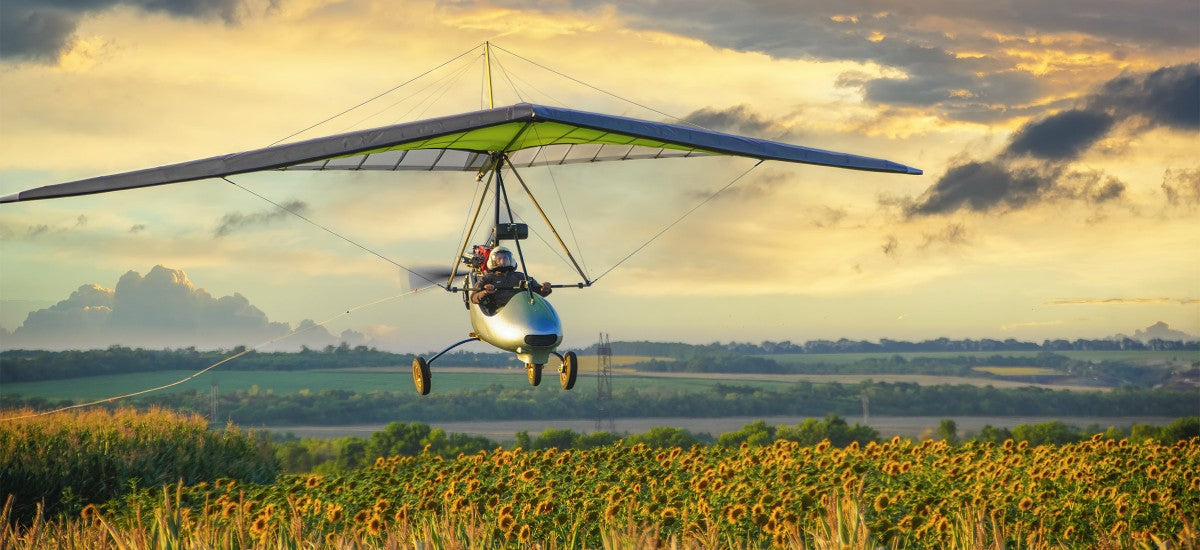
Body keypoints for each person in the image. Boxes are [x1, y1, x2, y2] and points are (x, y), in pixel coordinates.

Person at [470, 247, 551, 311]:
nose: (503, 261)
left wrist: (544, 289)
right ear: (493, 261)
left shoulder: (520, 276)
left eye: (505, 258)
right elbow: (473, 298)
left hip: (521, 311)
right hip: (499, 312)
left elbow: (538, 294)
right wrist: (485, 292)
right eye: (499, 259)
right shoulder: (487, 278)